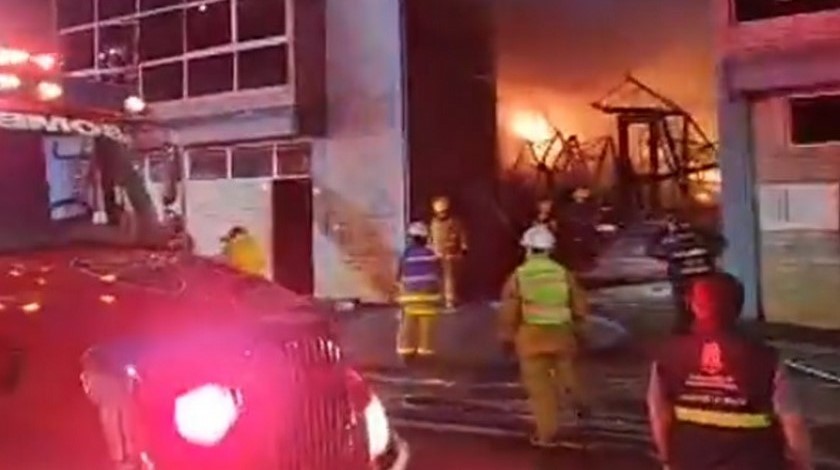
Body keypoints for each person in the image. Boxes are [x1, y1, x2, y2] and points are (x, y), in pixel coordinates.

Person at [647, 272, 813, 470]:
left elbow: (658, 413)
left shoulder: (668, 353)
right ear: (737, 307)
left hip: (690, 462)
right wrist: (803, 464)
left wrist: (668, 459)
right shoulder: (764, 357)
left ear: (694, 306)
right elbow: (792, 421)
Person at [499, 225, 590, 448]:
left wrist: (506, 337)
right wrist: (581, 329)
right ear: (550, 249)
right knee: (568, 373)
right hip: (562, 334)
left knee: (540, 390)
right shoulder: (562, 273)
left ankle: (547, 434)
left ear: (529, 249)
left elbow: (510, 310)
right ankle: (578, 399)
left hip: (532, 338)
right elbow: (579, 305)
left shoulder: (520, 276)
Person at [647, 212, 725, 333]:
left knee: (685, 303)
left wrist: (667, 250)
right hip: (698, 275)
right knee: (699, 301)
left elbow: (652, 250)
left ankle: (686, 327)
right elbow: (719, 244)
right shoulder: (699, 233)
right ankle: (700, 325)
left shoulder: (672, 236)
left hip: (685, 276)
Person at [396, 221, 443, 358]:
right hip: (429, 298)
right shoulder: (431, 254)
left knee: (408, 325)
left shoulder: (406, 255)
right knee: (427, 325)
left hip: (410, 298)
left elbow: (399, 275)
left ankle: (406, 350)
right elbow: (439, 274)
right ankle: (425, 351)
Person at [428, 196, 468, 310]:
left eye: (444, 212)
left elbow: (462, 235)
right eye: (439, 212)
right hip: (437, 254)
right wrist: (430, 250)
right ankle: (441, 298)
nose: (442, 214)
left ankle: (450, 300)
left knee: (450, 278)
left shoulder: (455, 222)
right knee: (439, 278)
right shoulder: (433, 223)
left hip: (451, 254)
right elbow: (431, 238)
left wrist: (463, 248)